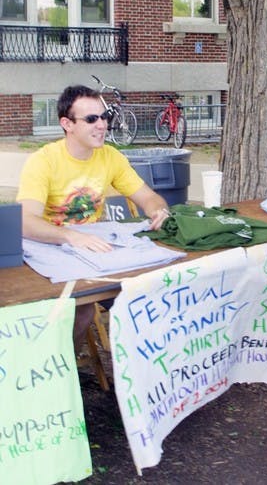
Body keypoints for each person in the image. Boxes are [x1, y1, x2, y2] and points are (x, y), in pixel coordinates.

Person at [16, 85, 171, 355]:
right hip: (50, 251)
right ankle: (64, 376)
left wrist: (159, 210)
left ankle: (141, 376)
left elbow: (149, 197)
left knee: (151, 294)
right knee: (81, 310)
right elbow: (25, 222)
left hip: (96, 255)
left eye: (104, 116)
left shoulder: (110, 156)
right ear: (67, 124)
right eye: (91, 119)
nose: (102, 125)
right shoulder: (43, 161)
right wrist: (70, 235)